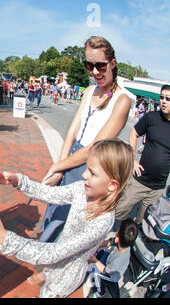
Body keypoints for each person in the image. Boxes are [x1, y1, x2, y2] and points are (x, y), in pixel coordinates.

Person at [0, 139, 134, 298]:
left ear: (112, 185)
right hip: (54, 262)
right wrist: (17, 181)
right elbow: (49, 193)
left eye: (92, 172)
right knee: (47, 278)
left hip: (66, 276)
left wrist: (3, 237)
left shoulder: (102, 222)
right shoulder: (81, 190)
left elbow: (53, 254)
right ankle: (45, 276)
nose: (84, 175)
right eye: (86, 168)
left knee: (49, 293)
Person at [39, 36, 131, 243]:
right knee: (54, 209)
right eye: (89, 65)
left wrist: (58, 167)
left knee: (67, 224)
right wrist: (60, 167)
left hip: (90, 168)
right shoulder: (89, 91)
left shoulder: (122, 100)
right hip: (70, 158)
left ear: (113, 64)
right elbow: (72, 131)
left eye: (100, 65)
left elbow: (94, 148)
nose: (95, 71)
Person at [114, 85, 170, 225]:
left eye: (168, 99)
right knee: (118, 213)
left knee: (144, 222)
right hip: (139, 181)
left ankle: (130, 243)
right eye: (161, 97)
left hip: (157, 189)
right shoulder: (152, 118)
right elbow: (134, 133)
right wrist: (133, 160)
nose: (163, 101)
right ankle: (103, 241)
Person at [87, 218, 138, 298]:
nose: (117, 231)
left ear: (118, 236)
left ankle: (101, 292)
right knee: (102, 254)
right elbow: (111, 242)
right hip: (110, 262)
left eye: (119, 228)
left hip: (111, 274)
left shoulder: (118, 260)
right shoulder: (125, 244)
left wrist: (94, 260)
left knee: (95, 272)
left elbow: (105, 270)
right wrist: (97, 246)